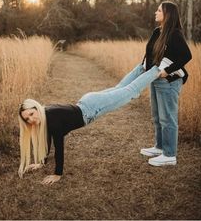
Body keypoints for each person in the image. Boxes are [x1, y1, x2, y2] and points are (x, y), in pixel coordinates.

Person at [18, 64, 162, 185]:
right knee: (121, 88)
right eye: (27, 119)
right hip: (88, 102)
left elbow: (59, 146)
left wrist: (58, 174)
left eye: (31, 114)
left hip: (92, 107)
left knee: (130, 91)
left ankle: (157, 70)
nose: (31, 120)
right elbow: (47, 139)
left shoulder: (52, 119)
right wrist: (41, 162)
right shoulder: (45, 115)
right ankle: (142, 66)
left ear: (36, 108)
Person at [140, 1, 192, 166]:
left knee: (167, 118)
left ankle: (169, 155)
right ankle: (160, 147)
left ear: (167, 14)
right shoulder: (158, 31)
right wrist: (144, 70)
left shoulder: (174, 34)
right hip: (154, 79)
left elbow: (186, 56)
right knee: (157, 116)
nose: (155, 12)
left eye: (159, 10)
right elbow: (149, 53)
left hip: (169, 82)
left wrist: (167, 70)